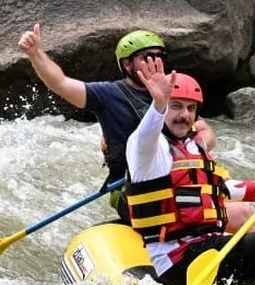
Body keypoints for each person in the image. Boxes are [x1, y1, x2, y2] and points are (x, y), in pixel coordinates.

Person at [124, 58, 255, 285]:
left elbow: (219, 189)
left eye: (191, 108)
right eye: (176, 106)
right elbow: (147, 134)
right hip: (181, 261)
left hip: (208, 247)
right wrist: (159, 104)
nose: (184, 114)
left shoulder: (193, 146)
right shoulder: (146, 149)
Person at [17, 24, 216, 220]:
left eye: (160, 57)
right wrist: (36, 54)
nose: (155, 62)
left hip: (176, 180)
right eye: (147, 57)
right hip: (130, 189)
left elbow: (206, 132)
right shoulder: (108, 94)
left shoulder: (172, 90)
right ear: (127, 64)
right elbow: (61, 83)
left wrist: (179, 154)